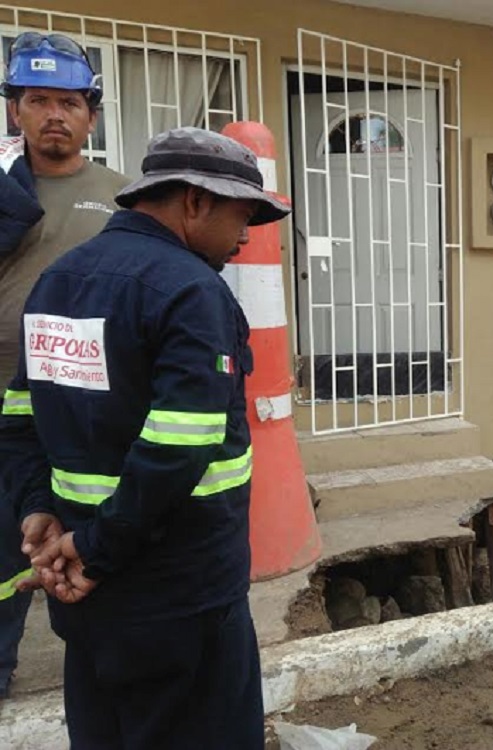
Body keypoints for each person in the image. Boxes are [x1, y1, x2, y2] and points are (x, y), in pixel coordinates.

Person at [0, 126, 289, 749]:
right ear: (193, 202)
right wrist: (97, 548)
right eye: (242, 216)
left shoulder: (59, 279)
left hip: (85, 593)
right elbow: (181, 444)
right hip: (179, 590)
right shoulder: (191, 291)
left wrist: (39, 511)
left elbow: (20, 415)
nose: (245, 238)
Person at [0, 31, 129, 699]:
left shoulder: (123, 195)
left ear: (91, 116)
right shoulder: (1, 191)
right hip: (4, 406)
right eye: (38, 99)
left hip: (88, 413)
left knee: (94, 545)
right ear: (14, 110)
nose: (54, 113)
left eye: (68, 102)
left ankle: (107, 674)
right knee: (5, 550)